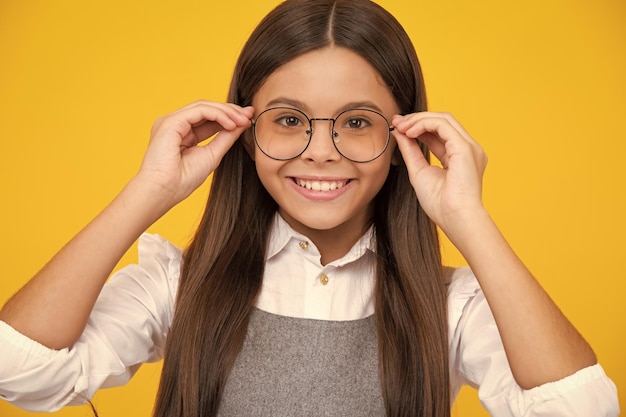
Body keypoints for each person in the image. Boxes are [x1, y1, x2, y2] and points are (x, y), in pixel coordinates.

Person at [0, 0, 619, 416]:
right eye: (290, 119)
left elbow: (582, 409)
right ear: (243, 127)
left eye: (356, 122)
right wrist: (149, 191)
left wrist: (469, 220)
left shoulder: (449, 306)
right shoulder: (177, 286)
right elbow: (19, 372)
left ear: (405, 134)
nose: (320, 152)